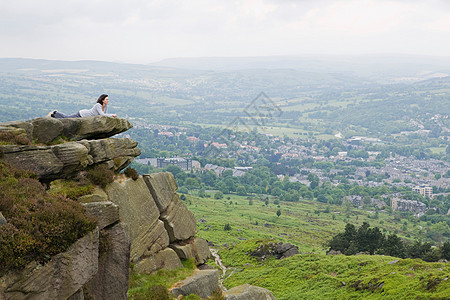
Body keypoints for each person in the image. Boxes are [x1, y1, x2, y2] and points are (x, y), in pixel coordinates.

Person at [49, 94, 117, 118]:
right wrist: (112, 115)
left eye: (108, 99)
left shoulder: (105, 106)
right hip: (82, 114)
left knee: (68, 118)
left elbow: (104, 114)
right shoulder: (98, 105)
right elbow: (102, 114)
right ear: (102, 100)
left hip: (86, 116)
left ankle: (55, 115)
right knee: (67, 117)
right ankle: (56, 113)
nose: (108, 100)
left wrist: (111, 116)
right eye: (107, 99)